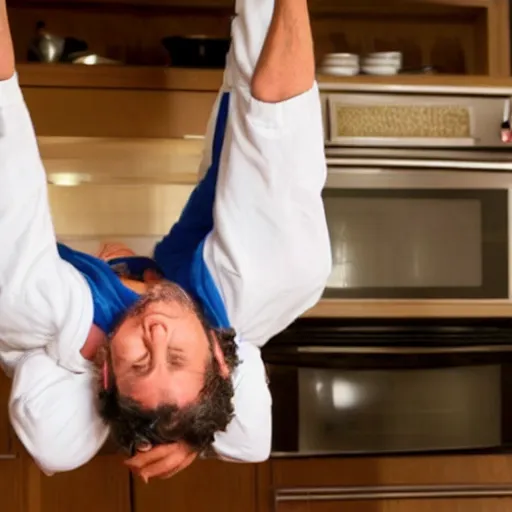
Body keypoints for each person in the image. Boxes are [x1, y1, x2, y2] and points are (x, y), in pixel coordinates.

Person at [0, 0, 331, 481]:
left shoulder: (30, 302)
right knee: (285, 259)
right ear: (219, 356)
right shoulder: (272, 273)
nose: (154, 333)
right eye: (175, 356)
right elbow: (278, 106)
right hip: (218, 287)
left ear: (106, 372)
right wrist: (193, 432)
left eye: (139, 362)